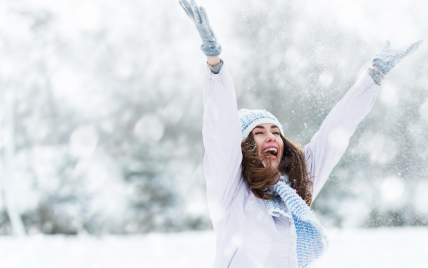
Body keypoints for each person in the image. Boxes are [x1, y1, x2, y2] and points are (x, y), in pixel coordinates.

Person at [179, 0, 423, 267]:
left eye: (275, 131)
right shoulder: (230, 191)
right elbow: (220, 135)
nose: (271, 137)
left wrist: (374, 75)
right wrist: (215, 66)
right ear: (244, 146)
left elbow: (335, 132)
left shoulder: (295, 189)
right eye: (258, 132)